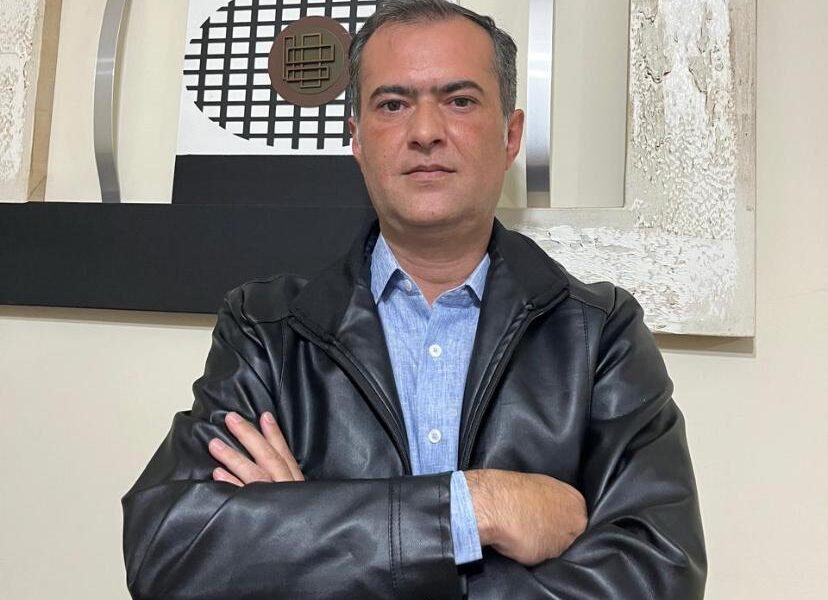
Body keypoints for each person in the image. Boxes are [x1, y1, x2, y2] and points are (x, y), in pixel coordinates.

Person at [122, 1, 706, 598]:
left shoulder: (598, 333)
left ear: (510, 136)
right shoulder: (267, 331)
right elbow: (170, 554)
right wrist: (474, 507)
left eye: (460, 101)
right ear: (356, 138)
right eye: (393, 104)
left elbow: (659, 576)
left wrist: (304, 526)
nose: (425, 132)